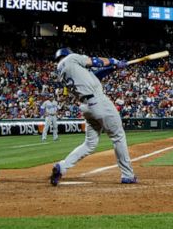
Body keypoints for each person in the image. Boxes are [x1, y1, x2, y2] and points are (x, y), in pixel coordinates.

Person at [50, 47, 136, 185]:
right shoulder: (72, 58)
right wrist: (113, 61)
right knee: (118, 136)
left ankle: (63, 166)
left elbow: (94, 76)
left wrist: (113, 68)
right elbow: (95, 61)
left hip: (86, 107)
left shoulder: (62, 70)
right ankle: (128, 175)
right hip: (98, 102)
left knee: (89, 144)